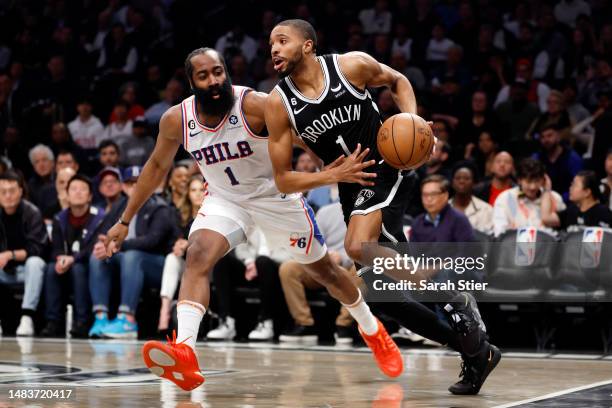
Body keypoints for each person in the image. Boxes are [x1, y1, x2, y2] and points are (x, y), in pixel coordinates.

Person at [103, 47, 403, 391]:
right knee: (197, 254)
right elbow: (156, 168)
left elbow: (305, 136)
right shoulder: (176, 119)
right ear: (191, 82)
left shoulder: (256, 104)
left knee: (326, 273)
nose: (214, 80)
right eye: (204, 76)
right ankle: (184, 350)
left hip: (275, 196)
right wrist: (125, 220)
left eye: (218, 72)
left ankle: (371, 330)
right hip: (226, 200)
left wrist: (336, 166)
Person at [266, 19, 499, 395]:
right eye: (270, 44)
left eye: (282, 41)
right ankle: (476, 351)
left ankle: (458, 301)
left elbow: (399, 81)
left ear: (308, 45)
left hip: (385, 167)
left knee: (359, 246)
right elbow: (283, 178)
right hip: (348, 187)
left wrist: (415, 123)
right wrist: (330, 174)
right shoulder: (279, 103)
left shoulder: (349, 66)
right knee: (380, 290)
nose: (274, 49)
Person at [89, 166, 177, 339]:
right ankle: (101, 318)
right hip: (127, 262)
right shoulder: (118, 207)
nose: (135, 187)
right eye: (130, 183)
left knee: (132, 256)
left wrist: (119, 245)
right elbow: (103, 233)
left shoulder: (159, 206)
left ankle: (127, 319)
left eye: (139, 182)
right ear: (123, 186)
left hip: (158, 265)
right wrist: (104, 245)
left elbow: (153, 240)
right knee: (97, 257)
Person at [279, 200, 355, 344]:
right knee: (289, 268)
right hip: (324, 265)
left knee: (365, 268)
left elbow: (372, 247)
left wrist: (343, 258)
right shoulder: (326, 211)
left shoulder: (374, 212)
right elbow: (313, 241)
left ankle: (343, 325)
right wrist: (324, 257)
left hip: (352, 266)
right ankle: (304, 323)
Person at [41, 175, 105, 338]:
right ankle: (53, 322)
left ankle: (82, 322)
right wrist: (60, 259)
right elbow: (55, 248)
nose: (78, 192)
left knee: (78, 269)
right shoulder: (59, 218)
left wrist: (73, 259)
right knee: (50, 269)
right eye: (73, 189)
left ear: (90, 196)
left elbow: (95, 247)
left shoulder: (100, 217)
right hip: (67, 264)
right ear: (67, 195)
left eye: (82, 189)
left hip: (87, 265)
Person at [0, 171, 47, 336]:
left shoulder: (32, 212)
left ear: (21, 191)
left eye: (12, 190)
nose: (7, 195)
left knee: (35, 262)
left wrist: (9, 255)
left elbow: (38, 248)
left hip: (28, 272)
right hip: (4, 271)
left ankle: (27, 318)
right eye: (2, 191)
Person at [158, 176, 206, 332]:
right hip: (185, 263)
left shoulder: (212, 216)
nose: (198, 194)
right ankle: (164, 310)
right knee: (171, 258)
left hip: (209, 265)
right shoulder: (180, 216)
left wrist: (188, 245)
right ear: (188, 194)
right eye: (193, 190)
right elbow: (167, 242)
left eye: (202, 190)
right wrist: (177, 246)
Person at [493, 158, 566, 237]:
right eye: (528, 181)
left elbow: (564, 230)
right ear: (519, 180)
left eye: (537, 181)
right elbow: (500, 233)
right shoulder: (505, 199)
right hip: (514, 247)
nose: (533, 187)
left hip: (549, 247)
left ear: (543, 180)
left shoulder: (555, 198)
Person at [542, 170, 612, 229]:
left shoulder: (604, 213)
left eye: (574, 185)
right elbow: (546, 218)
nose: (570, 188)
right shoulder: (571, 211)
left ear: (587, 192)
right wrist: (547, 190)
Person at [450, 165, 494, 234]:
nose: (462, 181)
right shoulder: (442, 208)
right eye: (458, 178)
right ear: (452, 183)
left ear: (474, 183)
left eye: (466, 178)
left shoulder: (486, 209)